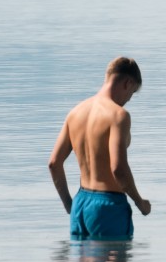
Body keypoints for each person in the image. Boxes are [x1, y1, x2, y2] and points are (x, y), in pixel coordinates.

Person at [48, 55, 152, 241]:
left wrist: (70, 207)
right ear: (128, 83)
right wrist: (140, 202)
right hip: (108, 207)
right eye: (132, 93)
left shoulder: (75, 112)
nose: (128, 100)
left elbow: (54, 163)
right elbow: (118, 168)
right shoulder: (118, 116)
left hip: (80, 206)